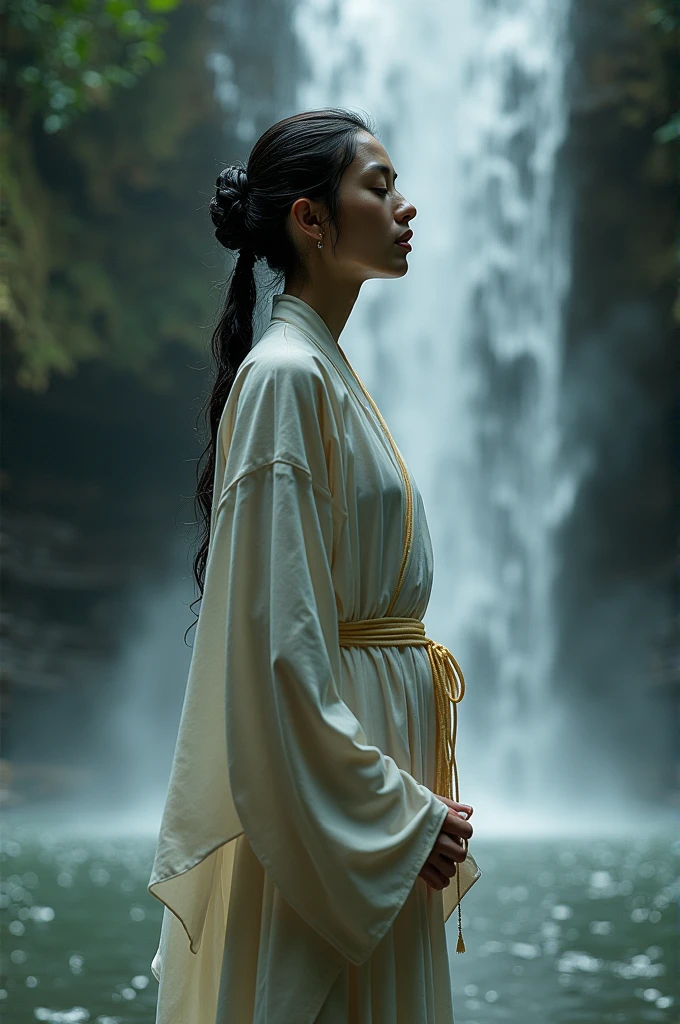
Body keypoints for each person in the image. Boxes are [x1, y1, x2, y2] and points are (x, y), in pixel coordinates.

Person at [147, 107, 481, 1024]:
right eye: (379, 186)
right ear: (310, 219)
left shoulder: (318, 367)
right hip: (335, 814)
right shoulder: (289, 375)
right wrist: (395, 818)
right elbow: (278, 650)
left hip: (374, 793)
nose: (404, 206)